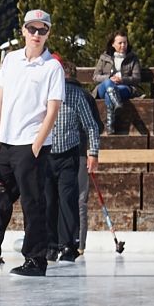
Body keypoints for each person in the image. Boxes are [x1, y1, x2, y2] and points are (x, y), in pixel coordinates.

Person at [0, 9, 64, 277]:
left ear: (48, 34)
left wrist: (36, 146)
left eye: (42, 30)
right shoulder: (10, 60)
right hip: (5, 145)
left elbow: (52, 110)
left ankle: (35, 260)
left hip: (32, 147)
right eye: (32, 29)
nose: (37, 35)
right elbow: (1, 100)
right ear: (23, 31)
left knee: (33, 205)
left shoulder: (53, 67)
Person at [45, 63, 101, 263]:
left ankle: (68, 244)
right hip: (45, 155)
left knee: (68, 200)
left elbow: (92, 126)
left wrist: (93, 153)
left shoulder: (77, 95)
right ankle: (49, 244)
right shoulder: (41, 92)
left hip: (69, 155)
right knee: (48, 201)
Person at [93, 31, 141, 132]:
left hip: (123, 87)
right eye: (120, 43)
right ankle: (117, 103)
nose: (123, 45)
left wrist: (122, 80)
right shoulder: (104, 57)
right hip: (104, 87)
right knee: (108, 83)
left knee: (108, 94)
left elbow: (136, 78)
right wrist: (109, 78)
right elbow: (95, 77)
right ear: (113, 44)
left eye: (125, 43)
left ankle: (110, 125)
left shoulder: (132, 58)